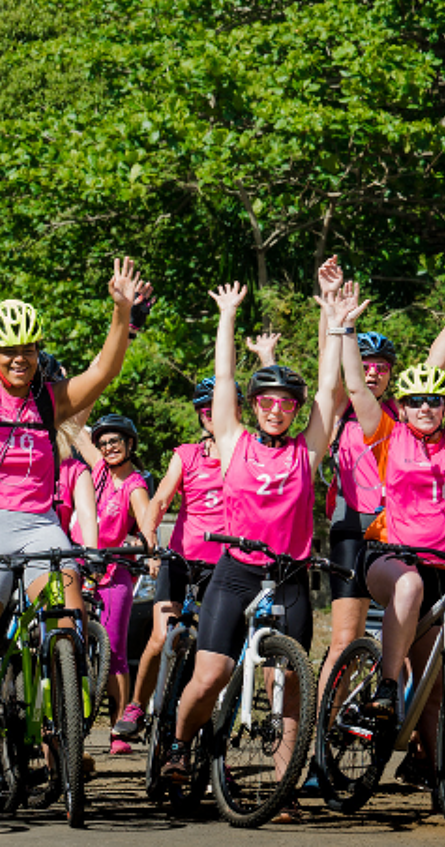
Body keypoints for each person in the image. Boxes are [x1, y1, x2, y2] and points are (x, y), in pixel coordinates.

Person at [0, 249, 144, 810]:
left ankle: (61, 722)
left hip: (39, 525)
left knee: (68, 622)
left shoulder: (50, 401)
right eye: (9, 350)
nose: (20, 358)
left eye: (28, 349)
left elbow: (104, 371)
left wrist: (121, 314)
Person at [160, 278, 347, 801]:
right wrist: (227, 315)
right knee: (211, 674)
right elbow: (224, 377)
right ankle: (178, 746)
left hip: (289, 576)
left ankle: (282, 787)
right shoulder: (233, 441)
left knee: (289, 686)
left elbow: (329, 388)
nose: (276, 409)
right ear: (254, 404)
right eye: (266, 401)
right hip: (236, 573)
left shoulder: (307, 451)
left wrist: (335, 325)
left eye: (286, 403)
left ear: (295, 409)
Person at [318, 262, 445, 711]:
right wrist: (334, 314)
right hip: (355, 529)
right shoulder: (345, 412)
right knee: (344, 639)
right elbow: (335, 371)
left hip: (405, 532)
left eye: (381, 368)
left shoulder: (401, 416)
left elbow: (434, 366)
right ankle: (326, 728)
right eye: (366, 366)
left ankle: (406, 729)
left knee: (412, 646)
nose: (372, 374)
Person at [341, 305, 445, 784]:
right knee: (408, 587)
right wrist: (345, 328)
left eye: (434, 401)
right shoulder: (387, 436)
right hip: (390, 558)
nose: (425, 408)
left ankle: (440, 781)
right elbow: (357, 388)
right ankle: (384, 686)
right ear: (401, 406)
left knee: (433, 688)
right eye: (415, 400)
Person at [117, 377, 229, 741]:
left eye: (220, 408)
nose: (213, 415)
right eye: (206, 410)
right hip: (181, 559)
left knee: (217, 650)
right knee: (162, 634)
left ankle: (207, 734)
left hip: (224, 565)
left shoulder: (245, 453)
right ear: (200, 415)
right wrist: (149, 532)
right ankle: (136, 705)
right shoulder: (187, 455)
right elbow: (162, 497)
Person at [62, 414, 156, 754]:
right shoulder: (99, 468)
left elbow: (147, 525)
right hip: (79, 563)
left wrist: (146, 546)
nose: (108, 448)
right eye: (102, 443)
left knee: (114, 650)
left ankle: (118, 730)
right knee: (66, 642)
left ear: (130, 444)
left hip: (114, 570)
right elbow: (73, 426)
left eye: (115, 441)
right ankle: (66, 723)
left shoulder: (135, 485)